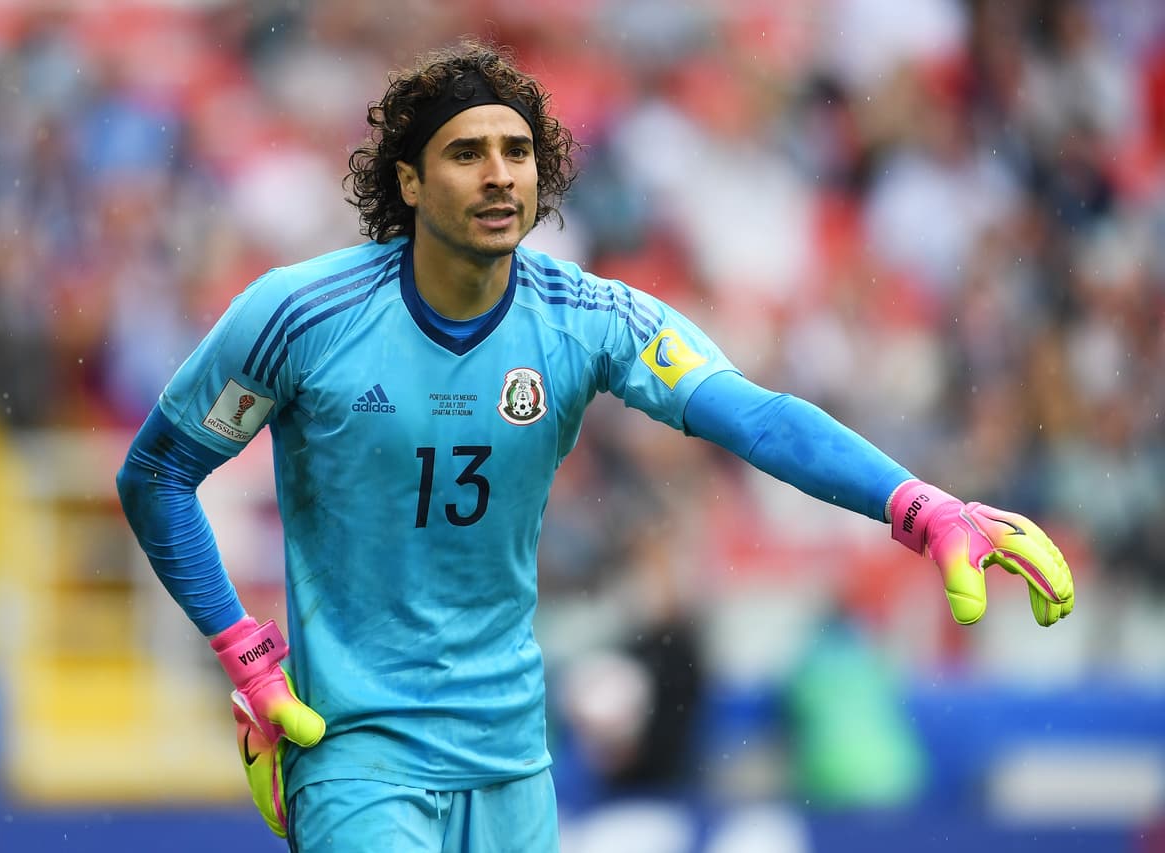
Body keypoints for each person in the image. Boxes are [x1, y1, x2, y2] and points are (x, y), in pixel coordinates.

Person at [115, 38, 1074, 852]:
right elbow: (158, 472)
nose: (500, 173)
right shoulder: (299, 315)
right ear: (407, 181)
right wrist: (244, 649)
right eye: (466, 153)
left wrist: (920, 506)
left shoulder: (589, 319)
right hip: (354, 744)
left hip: (511, 755)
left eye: (518, 151)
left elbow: (758, 415)